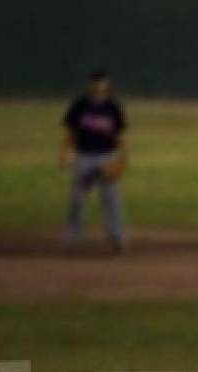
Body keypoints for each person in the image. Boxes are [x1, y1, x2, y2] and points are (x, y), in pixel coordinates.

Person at [61, 69, 129, 252]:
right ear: (90, 85)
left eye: (102, 82)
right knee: (77, 198)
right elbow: (71, 132)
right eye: (96, 82)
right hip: (83, 156)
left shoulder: (113, 107)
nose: (99, 85)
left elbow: (119, 136)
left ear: (107, 85)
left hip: (106, 157)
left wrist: (123, 158)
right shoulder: (80, 105)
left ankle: (117, 238)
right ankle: (71, 237)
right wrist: (66, 152)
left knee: (111, 199)